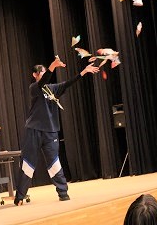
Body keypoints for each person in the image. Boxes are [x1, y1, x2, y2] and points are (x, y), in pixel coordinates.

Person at [14, 57, 99, 205]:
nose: (44, 73)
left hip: (50, 131)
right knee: (28, 163)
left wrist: (83, 72)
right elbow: (43, 81)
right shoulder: (34, 88)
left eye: (45, 71)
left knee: (54, 163)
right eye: (41, 72)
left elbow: (67, 84)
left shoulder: (53, 89)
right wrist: (53, 66)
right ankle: (20, 196)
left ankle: (63, 192)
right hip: (34, 130)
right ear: (35, 75)